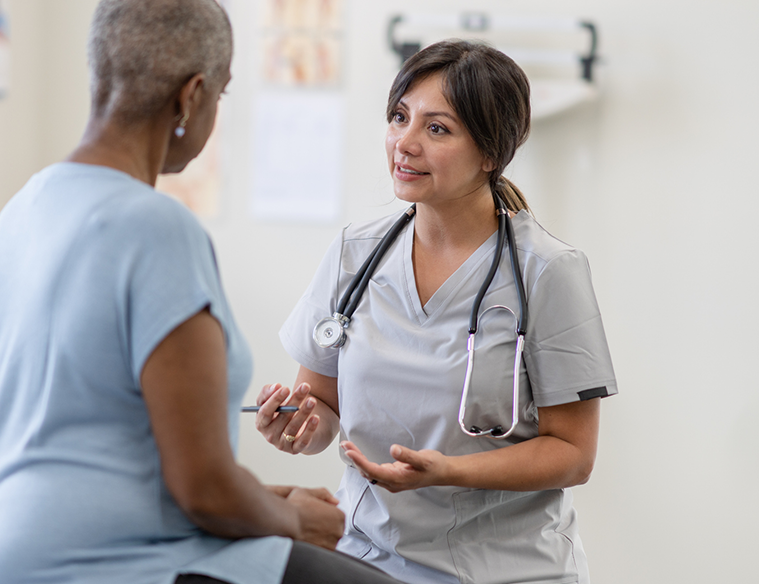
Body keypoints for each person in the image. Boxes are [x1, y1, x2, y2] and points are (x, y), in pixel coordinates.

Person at [0, 0, 400, 584]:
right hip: (98, 565)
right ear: (191, 96)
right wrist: (292, 521)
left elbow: (94, 450)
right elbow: (203, 490)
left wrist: (267, 502)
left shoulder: (23, 208)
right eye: (222, 96)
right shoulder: (155, 228)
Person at [255, 40, 617, 584]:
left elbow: (572, 453)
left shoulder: (548, 270)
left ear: (491, 153)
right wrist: (299, 428)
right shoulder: (355, 253)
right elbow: (323, 408)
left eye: (437, 128)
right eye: (399, 118)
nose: (405, 143)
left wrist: (449, 472)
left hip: (507, 570)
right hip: (366, 560)